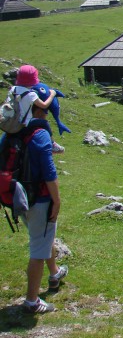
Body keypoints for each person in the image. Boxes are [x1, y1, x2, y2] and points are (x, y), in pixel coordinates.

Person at [6, 90, 68, 313]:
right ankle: (32, 301)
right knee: (38, 249)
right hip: (39, 198)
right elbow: (48, 169)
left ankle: (54, 274)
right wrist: (56, 199)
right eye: (47, 110)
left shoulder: (14, 131)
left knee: (43, 236)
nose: (49, 115)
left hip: (19, 196)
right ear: (38, 109)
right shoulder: (39, 132)